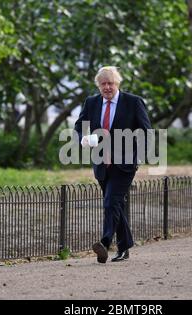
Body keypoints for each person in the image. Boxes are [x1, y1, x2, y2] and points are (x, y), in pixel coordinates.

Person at [74, 66, 152, 263]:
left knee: (110, 202)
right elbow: (79, 125)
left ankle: (105, 243)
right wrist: (83, 138)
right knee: (116, 204)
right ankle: (125, 247)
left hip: (125, 164)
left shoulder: (133, 102)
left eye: (111, 83)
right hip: (101, 163)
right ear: (98, 86)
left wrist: (137, 157)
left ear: (118, 84)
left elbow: (145, 131)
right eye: (103, 84)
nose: (107, 87)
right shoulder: (91, 102)